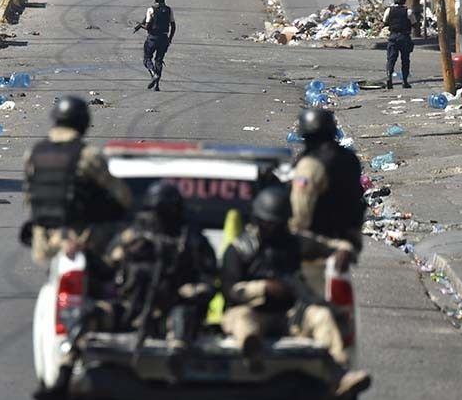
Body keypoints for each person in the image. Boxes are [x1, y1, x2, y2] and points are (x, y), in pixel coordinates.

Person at [221, 186, 371, 398]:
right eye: (269, 224)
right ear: (258, 220)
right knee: (242, 321)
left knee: (322, 316)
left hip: (289, 314)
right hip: (252, 311)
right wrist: (264, 289)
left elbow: (327, 245)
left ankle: (341, 374)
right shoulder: (239, 249)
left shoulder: (291, 241)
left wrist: (344, 250)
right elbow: (230, 290)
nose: (274, 229)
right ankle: (253, 358)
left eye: (279, 224)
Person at [105, 182, 217, 375]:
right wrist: (125, 252)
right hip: (133, 307)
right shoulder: (133, 235)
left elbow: (209, 278)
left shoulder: (189, 238)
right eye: (153, 211)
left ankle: (176, 360)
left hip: (173, 305)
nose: (155, 218)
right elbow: (107, 267)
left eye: (162, 211)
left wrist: (193, 290)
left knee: (182, 317)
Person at [20, 95, 132, 263]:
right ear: (84, 123)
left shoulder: (34, 153)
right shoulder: (87, 156)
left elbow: (29, 196)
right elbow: (122, 196)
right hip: (82, 238)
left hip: (43, 241)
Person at [290, 108, 366, 278]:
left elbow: (300, 212)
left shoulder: (310, 165)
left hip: (317, 243)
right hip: (349, 242)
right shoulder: (350, 158)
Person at [138, 0, 175, 91]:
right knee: (159, 60)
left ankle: (154, 74)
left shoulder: (151, 10)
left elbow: (148, 26)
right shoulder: (169, 10)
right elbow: (173, 25)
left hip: (153, 38)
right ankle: (157, 85)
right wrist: (170, 38)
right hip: (164, 38)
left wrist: (141, 25)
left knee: (147, 59)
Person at [382, 0, 417, 89]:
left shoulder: (389, 10)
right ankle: (404, 81)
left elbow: (384, 22)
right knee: (405, 60)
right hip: (404, 37)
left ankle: (389, 77)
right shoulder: (408, 11)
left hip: (393, 37)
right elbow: (414, 23)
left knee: (391, 59)